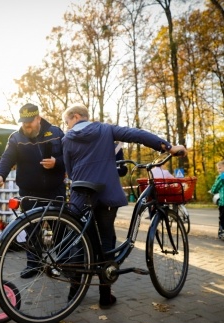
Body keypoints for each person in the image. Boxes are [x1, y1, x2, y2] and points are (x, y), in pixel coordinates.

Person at [62, 103, 187, 309]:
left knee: (80, 240)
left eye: (67, 121)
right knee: (107, 239)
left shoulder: (67, 139)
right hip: (105, 193)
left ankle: (74, 293)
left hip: (80, 195)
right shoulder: (105, 129)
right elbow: (136, 134)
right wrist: (168, 147)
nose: (67, 126)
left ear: (76, 116)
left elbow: (70, 169)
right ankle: (105, 295)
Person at [0, 103, 66, 278]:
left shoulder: (56, 133)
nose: (26, 125)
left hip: (55, 190)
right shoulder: (16, 138)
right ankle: (34, 265)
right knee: (32, 230)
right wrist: (0, 175)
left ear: (38, 118)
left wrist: (57, 163)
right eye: (23, 121)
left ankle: (64, 263)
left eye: (30, 122)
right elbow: (7, 158)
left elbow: (70, 156)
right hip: (29, 192)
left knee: (60, 229)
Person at [210, 160, 224, 240]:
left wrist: (212, 191)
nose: (219, 170)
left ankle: (221, 232)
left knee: (222, 218)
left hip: (223, 202)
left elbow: (216, 187)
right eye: (218, 169)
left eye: (220, 168)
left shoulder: (222, 177)